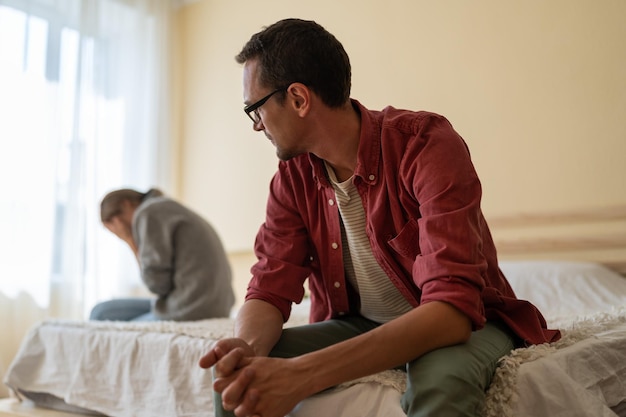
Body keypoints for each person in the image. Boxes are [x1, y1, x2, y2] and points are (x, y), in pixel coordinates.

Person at [199, 18, 561, 417]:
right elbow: (269, 286)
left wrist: (304, 374)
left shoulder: (425, 145)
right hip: (360, 323)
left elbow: (452, 314)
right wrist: (246, 347)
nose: (256, 125)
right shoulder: (293, 178)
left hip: (470, 321)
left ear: (299, 98)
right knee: (238, 378)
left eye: (255, 108)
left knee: (443, 385)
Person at [90, 187, 235, 321]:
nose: (117, 231)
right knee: (101, 310)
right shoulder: (163, 207)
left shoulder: (148, 212)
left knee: (101, 316)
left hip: (191, 307)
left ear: (127, 204)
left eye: (115, 223)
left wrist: (129, 239)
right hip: (213, 305)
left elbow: (157, 285)